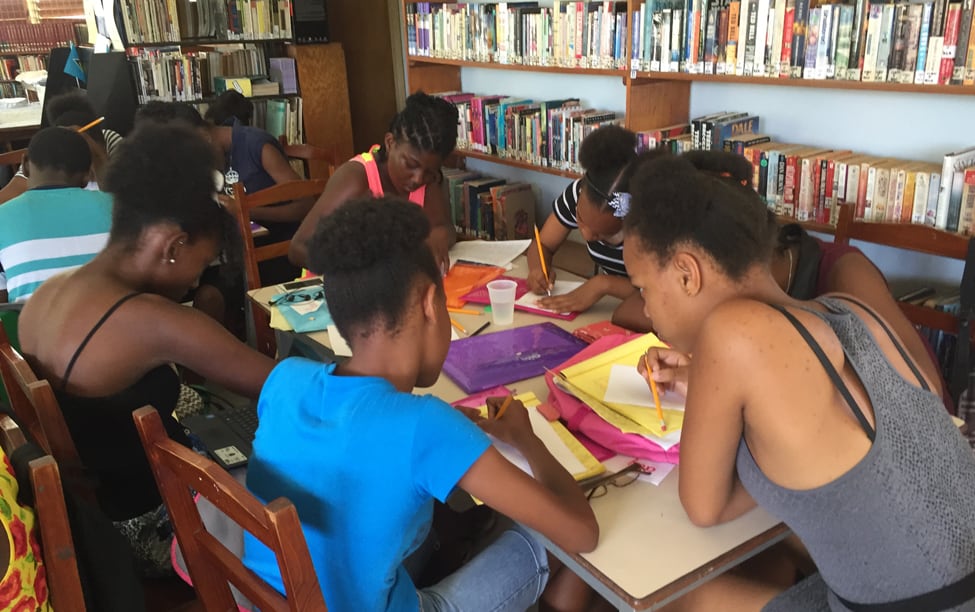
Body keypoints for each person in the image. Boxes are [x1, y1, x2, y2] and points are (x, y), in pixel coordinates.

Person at [626, 151, 975, 610]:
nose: (646, 308)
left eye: (642, 288)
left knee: (679, 600)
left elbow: (705, 507)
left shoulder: (731, 331)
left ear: (688, 273)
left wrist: (716, 408)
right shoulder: (846, 308)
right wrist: (722, 395)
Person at [244, 197, 598, 611]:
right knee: (550, 541)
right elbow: (580, 533)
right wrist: (527, 439)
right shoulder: (424, 427)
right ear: (431, 305)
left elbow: (363, 443)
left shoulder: (285, 378)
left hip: (270, 602)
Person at [16, 123, 275, 575]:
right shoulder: (150, 320)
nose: (195, 282)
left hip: (97, 512)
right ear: (173, 245)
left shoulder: (48, 293)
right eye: (198, 266)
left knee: (233, 435)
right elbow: (280, 383)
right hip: (154, 525)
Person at [683, 149, 950, 410]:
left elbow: (924, 389)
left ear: (699, 264)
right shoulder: (731, 285)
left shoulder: (845, 272)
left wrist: (731, 382)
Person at [289, 92, 459, 273]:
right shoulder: (356, 178)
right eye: (410, 165)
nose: (418, 179)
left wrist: (439, 236)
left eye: (429, 173)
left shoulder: (429, 181)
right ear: (390, 142)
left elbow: (444, 227)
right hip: (334, 287)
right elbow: (298, 248)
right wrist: (357, 272)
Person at [526, 125, 654, 331]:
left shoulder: (650, 222)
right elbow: (543, 244)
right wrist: (537, 269)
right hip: (609, 310)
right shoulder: (578, 194)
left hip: (650, 313)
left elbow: (662, 292)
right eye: (580, 219)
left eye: (602, 234)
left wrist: (603, 284)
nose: (585, 234)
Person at [0, 127, 112, 303]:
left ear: (25, 165)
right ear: (85, 177)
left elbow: (3, 304)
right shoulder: (119, 210)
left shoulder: (3, 217)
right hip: (111, 324)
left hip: (35, 327)